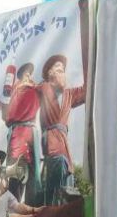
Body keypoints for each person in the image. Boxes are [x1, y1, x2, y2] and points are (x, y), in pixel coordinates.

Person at [37, 55, 86, 205]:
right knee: (57, 165)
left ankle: (62, 208)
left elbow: (87, 89)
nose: (63, 73)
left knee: (66, 175)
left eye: (63, 70)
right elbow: (26, 92)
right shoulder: (43, 88)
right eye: (59, 70)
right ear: (50, 74)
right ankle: (53, 208)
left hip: (63, 143)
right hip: (52, 139)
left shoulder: (69, 94)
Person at [0, 63, 41, 204]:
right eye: (26, 74)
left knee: (32, 176)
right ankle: (13, 210)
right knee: (17, 174)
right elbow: (5, 115)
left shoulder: (34, 89)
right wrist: (3, 103)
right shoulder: (16, 89)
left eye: (30, 74)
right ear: (20, 77)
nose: (29, 77)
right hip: (19, 136)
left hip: (30, 136)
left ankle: (30, 210)